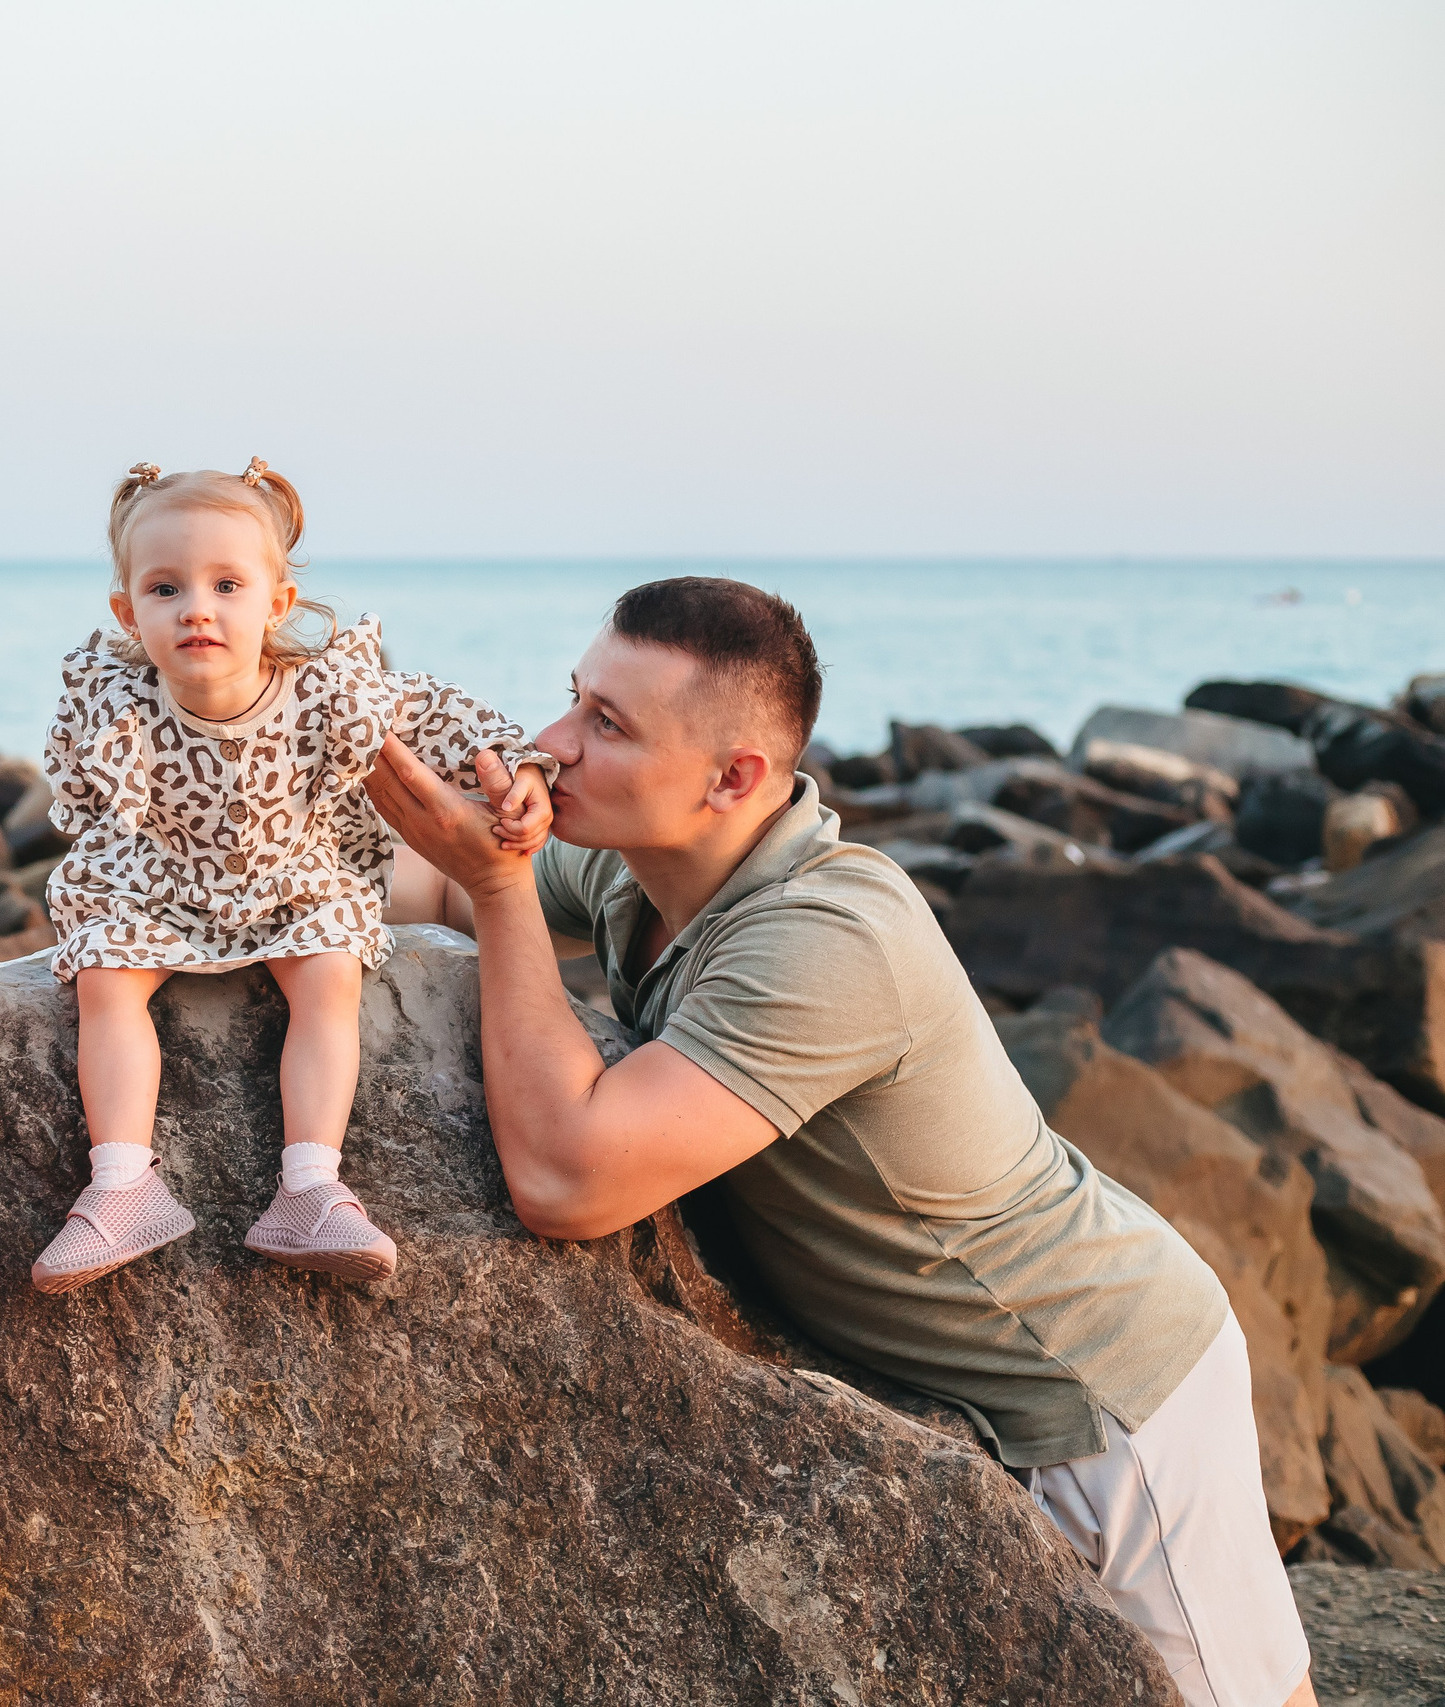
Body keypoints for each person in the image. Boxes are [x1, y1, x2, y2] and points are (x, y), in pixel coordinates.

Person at [376, 577, 1315, 1707]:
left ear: (735, 779)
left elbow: (567, 1179)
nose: (550, 745)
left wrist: (499, 887)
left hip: (1091, 1379)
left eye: (606, 726)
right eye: (573, 699)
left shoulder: (831, 939)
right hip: (941, 1378)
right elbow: (422, 878)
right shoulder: (643, 864)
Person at [29, 457, 554, 1293]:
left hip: (292, 880)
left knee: (330, 973)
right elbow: (86, 795)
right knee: (105, 977)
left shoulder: (322, 690)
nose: (197, 607)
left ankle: (311, 1185)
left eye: (226, 584)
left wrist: (520, 768)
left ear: (276, 603)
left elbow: (440, 711)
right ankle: (123, 1180)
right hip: (160, 883)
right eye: (165, 590)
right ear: (128, 611)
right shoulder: (115, 697)